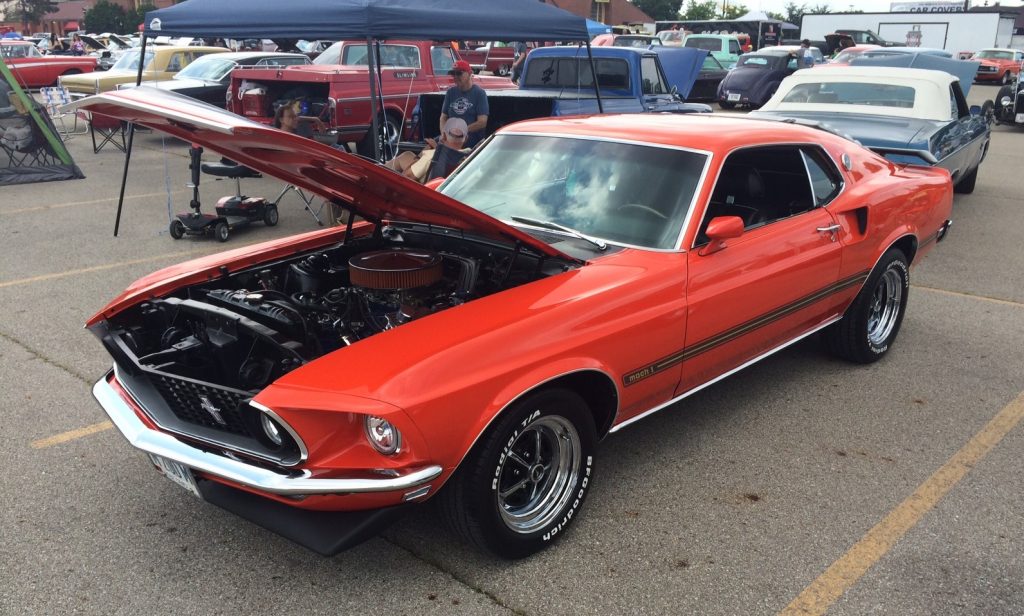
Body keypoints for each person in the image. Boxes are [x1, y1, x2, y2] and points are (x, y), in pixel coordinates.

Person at [387, 117, 469, 183]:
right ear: (466, 139)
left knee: (404, 158)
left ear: (443, 136)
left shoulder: (432, 155)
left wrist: (421, 155)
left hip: (425, 189)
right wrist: (437, 148)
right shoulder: (469, 154)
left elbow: (407, 176)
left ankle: (379, 171)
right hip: (448, 186)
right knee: (407, 155)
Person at [439, 59, 488, 149]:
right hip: (450, 139)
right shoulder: (450, 92)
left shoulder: (479, 93)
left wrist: (462, 131)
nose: (455, 77)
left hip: (471, 143)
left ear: (470, 74)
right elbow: (443, 117)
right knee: (427, 148)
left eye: (459, 73)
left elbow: (482, 122)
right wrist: (444, 133)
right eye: (453, 74)